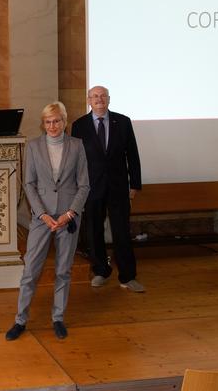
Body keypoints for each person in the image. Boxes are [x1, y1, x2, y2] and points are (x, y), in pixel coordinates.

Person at [5, 102, 89, 341]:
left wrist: (69, 214)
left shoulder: (77, 146)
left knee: (63, 270)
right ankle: (20, 319)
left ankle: (58, 318)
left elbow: (84, 185)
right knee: (30, 270)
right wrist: (42, 214)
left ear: (64, 121)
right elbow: (28, 184)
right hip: (41, 218)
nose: (53, 126)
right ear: (43, 124)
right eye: (48, 122)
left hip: (68, 217)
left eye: (57, 121)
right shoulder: (33, 146)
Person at [70, 86, 144, 292]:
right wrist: (77, 188)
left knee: (121, 231)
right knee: (93, 232)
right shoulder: (79, 125)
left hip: (119, 188)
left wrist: (135, 185)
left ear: (109, 99)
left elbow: (133, 155)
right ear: (89, 100)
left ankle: (128, 277)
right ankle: (101, 271)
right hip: (90, 188)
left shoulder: (123, 122)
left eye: (102, 96)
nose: (99, 99)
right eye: (95, 96)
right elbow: (75, 160)